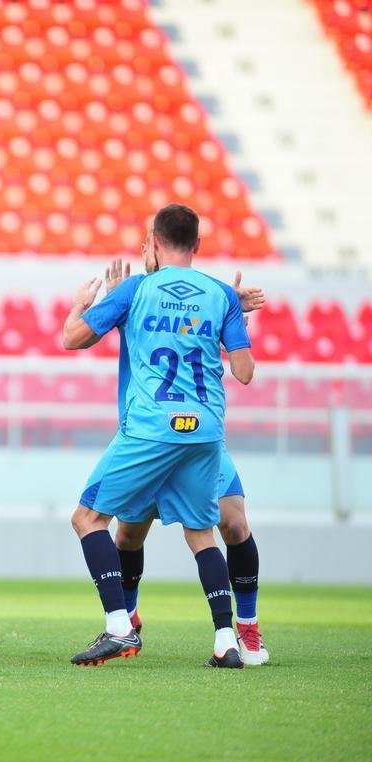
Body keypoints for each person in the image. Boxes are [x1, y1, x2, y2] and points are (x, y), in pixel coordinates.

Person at [62, 204, 255, 668]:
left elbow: (73, 338)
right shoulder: (220, 295)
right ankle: (226, 641)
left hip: (152, 427)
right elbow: (244, 372)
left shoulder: (136, 288)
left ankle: (119, 628)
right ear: (198, 245)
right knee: (201, 532)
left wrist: (82, 305)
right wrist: (231, 321)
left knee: (88, 519)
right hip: (205, 430)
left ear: (152, 240)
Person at [101, 255, 271, 666]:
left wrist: (231, 311)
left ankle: (246, 626)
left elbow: (237, 364)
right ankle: (128, 619)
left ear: (157, 247)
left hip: (200, 434)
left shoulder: (208, 298)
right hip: (147, 434)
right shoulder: (136, 294)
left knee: (233, 523)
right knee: (128, 535)